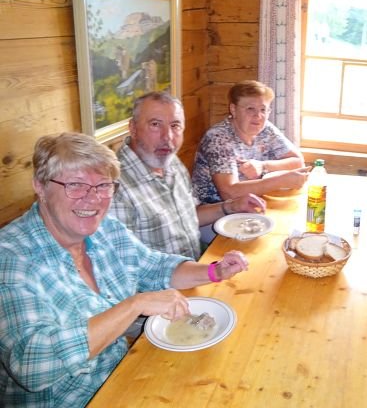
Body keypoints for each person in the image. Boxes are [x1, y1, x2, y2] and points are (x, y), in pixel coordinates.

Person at [0, 132, 249, 406]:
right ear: (40, 186)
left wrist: (214, 271)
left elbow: (153, 266)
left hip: (122, 372)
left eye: (103, 186)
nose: (92, 199)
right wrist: (135, 304)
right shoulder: (10, 257)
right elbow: (31, 365)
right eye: (76, 185)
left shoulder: (105, 229)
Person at [109, 92, 266, 258]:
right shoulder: (114, 188)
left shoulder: (170, 162)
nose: (167, 137)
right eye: (155, 124)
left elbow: (190, 215)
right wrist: (207, 271)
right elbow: (128, 267)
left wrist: (231, 206)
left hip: (197, 261)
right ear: (133, 128)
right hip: (176, 274)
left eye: (175, 126)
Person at [191, 80, 309, 204]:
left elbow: (297, 162)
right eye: (250, 109)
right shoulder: (218, 138)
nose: (258, 116)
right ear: (233, 109)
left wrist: (263, 166)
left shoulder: (266, 129)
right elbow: (229, 193)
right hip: (216, 210)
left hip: (254, 203)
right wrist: (280, 181)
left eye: (263, 109)